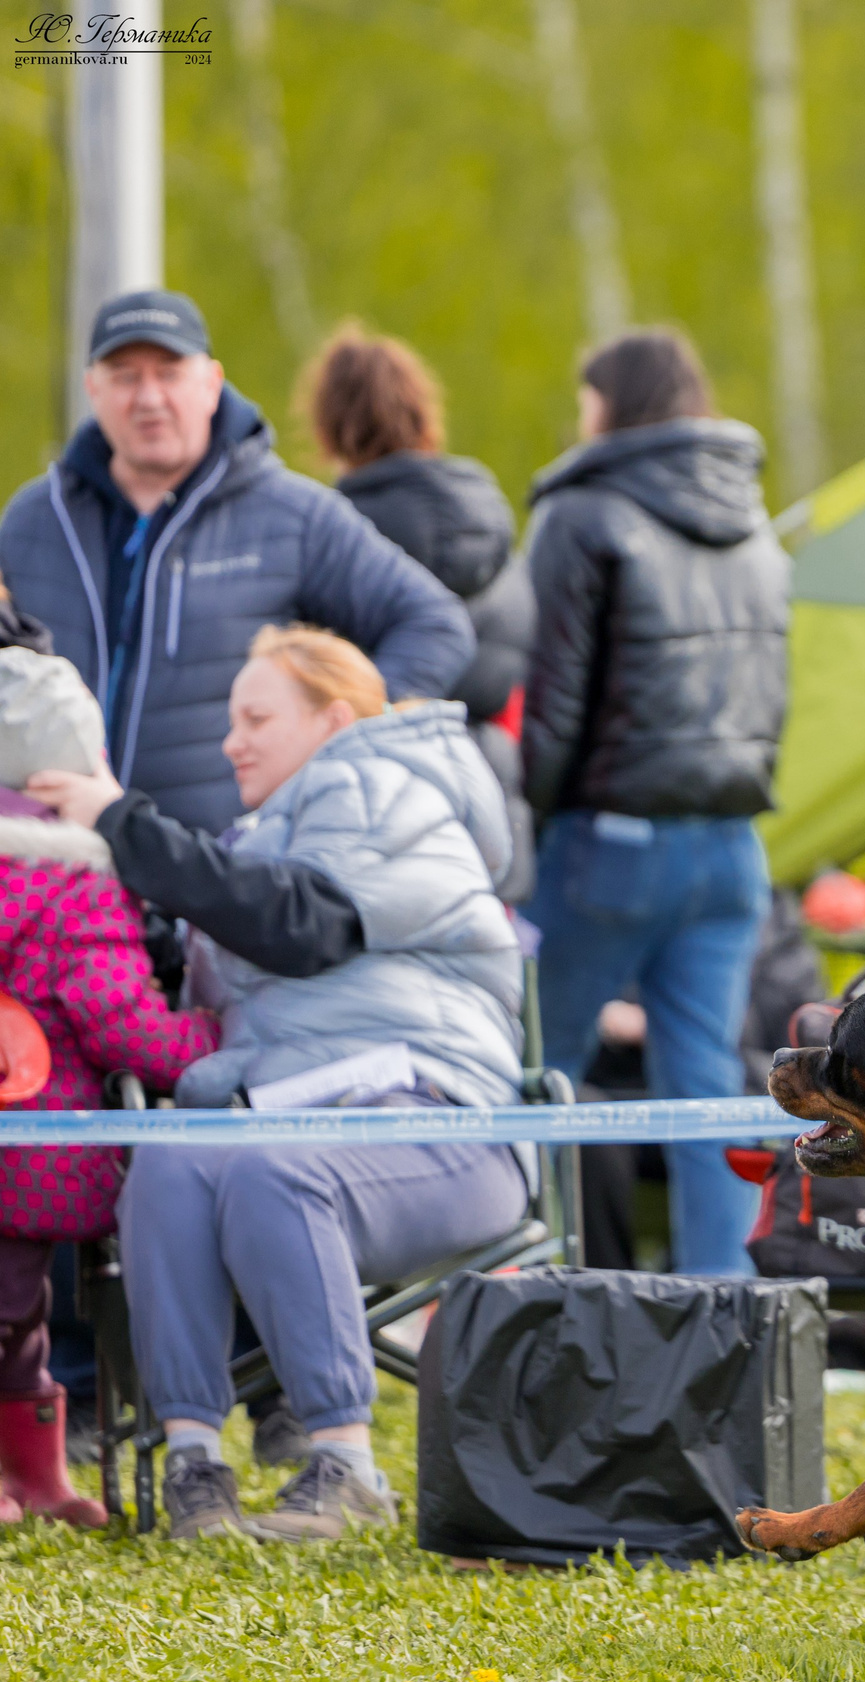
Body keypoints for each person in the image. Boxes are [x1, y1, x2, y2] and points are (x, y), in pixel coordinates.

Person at [28, 625, 528, 1541]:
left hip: (443, 1127)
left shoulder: (385, 787)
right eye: (231, 722)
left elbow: (301, 925)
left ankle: (347, 1465)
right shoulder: (270, 831)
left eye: (256, 718)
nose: (231, 743)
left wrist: (120, 822)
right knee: (168, 1164)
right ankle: (192, 1462)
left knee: (271, 1169)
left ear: (334, 720)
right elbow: (230, 930)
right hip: (292, 1123)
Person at [0, 289, 476, 833]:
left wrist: (342, 745)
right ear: (93, 388)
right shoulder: (36, 517)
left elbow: (434, 623)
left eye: (169, 373)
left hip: (221, 863)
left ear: (211, 383)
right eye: (125, 376)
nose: (149, 397)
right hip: (57, 859)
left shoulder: (292, 514)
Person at [520, 328, 790, 1277]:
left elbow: (550, 707)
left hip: (611, 844)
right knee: (708, 1090)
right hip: (731, 847)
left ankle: (516, 1292)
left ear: (610, 405)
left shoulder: (580, 514)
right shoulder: (755, 522)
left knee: (535, 1071)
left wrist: (525, 833)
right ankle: (729, 1310)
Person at [0, 636, 215, 1530]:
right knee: (12, 1311)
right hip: (29, 1156)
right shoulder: (73, 887)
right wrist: (209, 1040)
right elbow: (123, 1023)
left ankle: (36, 1477)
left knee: (19, 1314)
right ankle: (32, 1477)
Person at [303, 325, 537, 903]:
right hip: (491, 802)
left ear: (328, 426)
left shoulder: (332, 533)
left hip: (379, 812)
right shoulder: (492, 525)